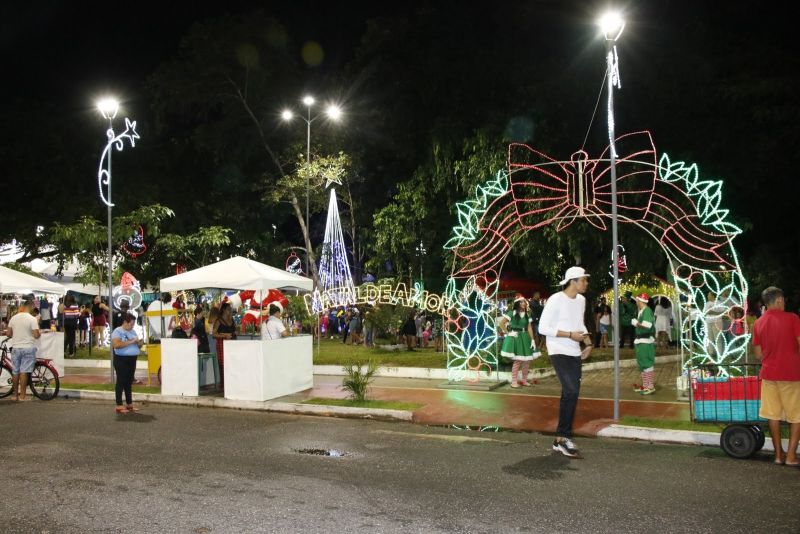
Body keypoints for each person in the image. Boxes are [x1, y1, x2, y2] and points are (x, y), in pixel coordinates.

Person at [538, 266, 593, 458]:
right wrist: (569, 335)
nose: (586, 283)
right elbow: (542, 327)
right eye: (583, 280)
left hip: (574, 351)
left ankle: (559, 440)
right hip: (558, 349)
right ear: (573, 281)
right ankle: (564, 437)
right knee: (571, 390)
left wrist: (587, 343)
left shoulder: (581, 300)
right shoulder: (555, 299)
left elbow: (580, 324)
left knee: (570, 394)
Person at [752, 286, 800, 466]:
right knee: (796, 415)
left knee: (773, 415)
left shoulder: (758, 323)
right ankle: (791, 456)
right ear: (779, 300)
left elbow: (757, 355)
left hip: (769, 374)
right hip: (792, 374)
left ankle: (778, 455)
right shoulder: (793, 318)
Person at [498, 294, 539, 388]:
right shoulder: (511, 313)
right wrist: (508, 333)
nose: (523, 303)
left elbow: (529, 328)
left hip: (525, 338)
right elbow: (501, 323)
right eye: (521, 302)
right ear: (517, 303)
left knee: (527, 361)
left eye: (524, 301)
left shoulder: (527, 314)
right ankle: (514, 382)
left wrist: (532, 339)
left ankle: (524, 380)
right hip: (516, 337)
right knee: (518, 360)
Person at [6, 300, 41, 401]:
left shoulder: (13, 318)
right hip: (28, 348)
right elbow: (36, 335)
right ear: (29, 307)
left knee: (15, 371)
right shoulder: (32, 319)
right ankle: (22, 396)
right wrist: (38, 334)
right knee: (24, 371)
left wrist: (17, 335)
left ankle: (15, 395)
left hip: (16, 348)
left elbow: (8, 334)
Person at [111, 311, 143, 414]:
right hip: (121, 359)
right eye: (131, 324)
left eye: (133, 324)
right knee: (121, 381)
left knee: (129, 382)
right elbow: (116, 345)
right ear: (125, 322)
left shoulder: (133, 332)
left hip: (132, 359)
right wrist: (131, 342)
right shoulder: (117, 331)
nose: (132, 326)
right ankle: (119, 405)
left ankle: (129, 404)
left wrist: (139, 343)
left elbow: (137, 345)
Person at [631, 293, 657, 395]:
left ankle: (649, 386)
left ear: (640, 301)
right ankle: (646, 385)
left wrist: (636, 323)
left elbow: (647, 325)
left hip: (645, 341)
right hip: (641, 341)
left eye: (637, 300)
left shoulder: (647, 311)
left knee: (647, 363)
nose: (636, 301)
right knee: (643, 364)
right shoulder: (642, 311)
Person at [212, 302, 236, 388]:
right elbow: (213, 334)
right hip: (221, 344)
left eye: (230, 309)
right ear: (224, 310)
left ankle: (232, 382)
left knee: (232, 363)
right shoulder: (218, 321)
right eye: (228, 309)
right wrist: (224, 335)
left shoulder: (232, 320)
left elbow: (234, 331)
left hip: (232, 343)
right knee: (223, 364)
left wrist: (233, 334)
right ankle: (224, 384)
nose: (230, 310)